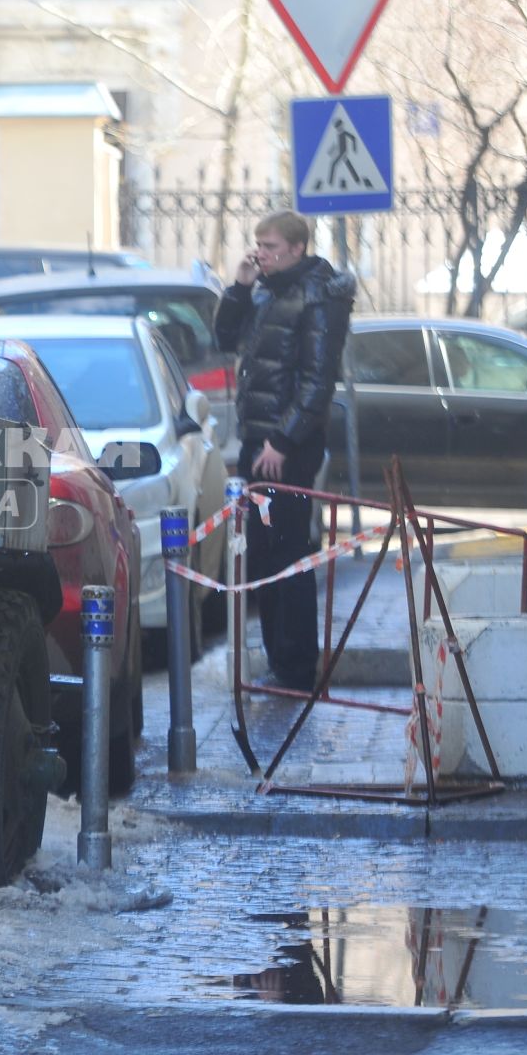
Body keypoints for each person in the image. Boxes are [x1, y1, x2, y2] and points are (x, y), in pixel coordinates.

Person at [213, 210, 355, 693]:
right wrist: (239, 286)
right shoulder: (267, 291)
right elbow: (224, 340)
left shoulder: (318, 295)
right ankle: (280, 661)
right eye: (258, 245)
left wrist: (282, 440)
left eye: (270, 247)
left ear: (297, 248)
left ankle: (296, 668)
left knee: (289, 553)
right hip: (261, 438)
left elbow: (317, 382)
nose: (261, 254)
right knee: (265, 553)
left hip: (287, 446)